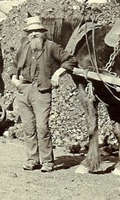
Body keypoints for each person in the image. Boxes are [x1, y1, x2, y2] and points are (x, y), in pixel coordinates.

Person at [11, 16, 77, 173]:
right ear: (27, 34)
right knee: (28, 127)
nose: (34, 34)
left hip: (42, 92)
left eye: (37, 31)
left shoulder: (51, 47)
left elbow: (70, 60)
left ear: (43, 32)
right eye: (31, 31)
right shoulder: (24, 47)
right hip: (24, 90)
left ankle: (47, 161)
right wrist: (14, 80)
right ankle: (32, 159)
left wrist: (57, 74)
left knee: (42, 127)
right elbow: (14, 66)